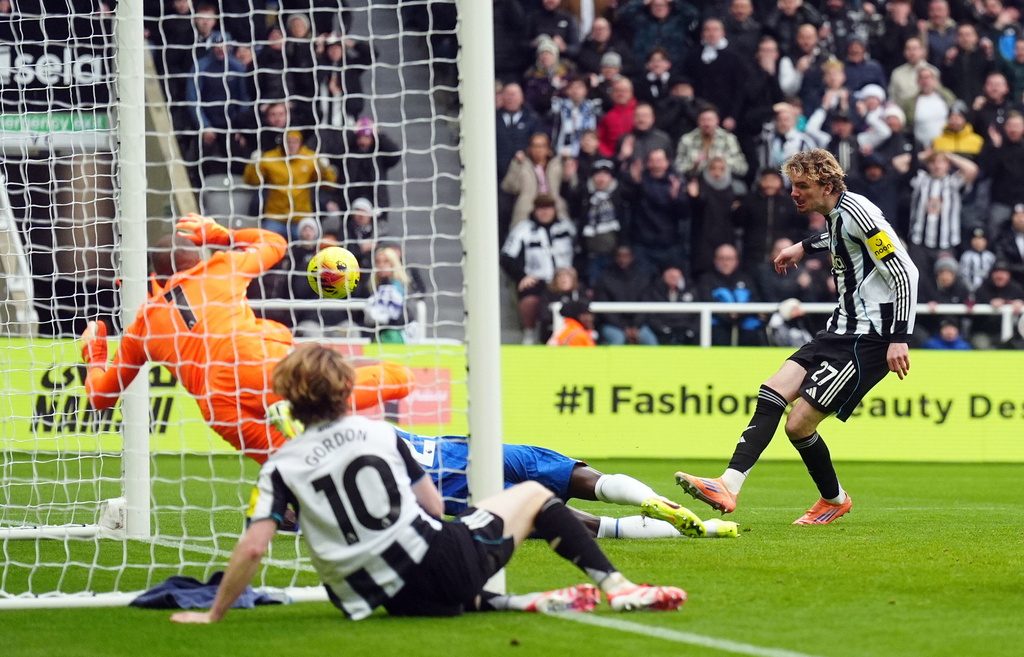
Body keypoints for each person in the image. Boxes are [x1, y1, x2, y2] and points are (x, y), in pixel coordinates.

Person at [170, 345, 688, 623]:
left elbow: (255, 545)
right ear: (347, 389)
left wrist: (216, 613)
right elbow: (435, 506)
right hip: (443, 565)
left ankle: (508, 603)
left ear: (288, 399)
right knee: (532, 496)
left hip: (382, 600)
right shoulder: (380, 434)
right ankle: (617, 589)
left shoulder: (278, 466)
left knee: (422, 565)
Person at [675, 149, 919, 524]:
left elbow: (904, 272)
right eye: (793, 184)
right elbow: (839, 236)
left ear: (827, 185)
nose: (793, 192)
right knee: (772, 390)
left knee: (798, 424)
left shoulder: (860, 213)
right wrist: (803, 247)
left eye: (802, 185)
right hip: (840, 329)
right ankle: (728, 484)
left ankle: (833, 499)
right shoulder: (839, 214)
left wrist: (899, 336)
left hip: (867, 340)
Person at [79, 216, 414, 465]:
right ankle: (317, 418)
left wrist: (94, 355)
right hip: (256, 363)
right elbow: (275, 243)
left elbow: (102, 396)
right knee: (401, 377)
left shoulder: (143, 325)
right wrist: (222, 235)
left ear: (156, 275)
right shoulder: (220, 267)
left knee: (293, 462)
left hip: (218, 405)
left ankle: (293, 494)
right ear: (197, 256)